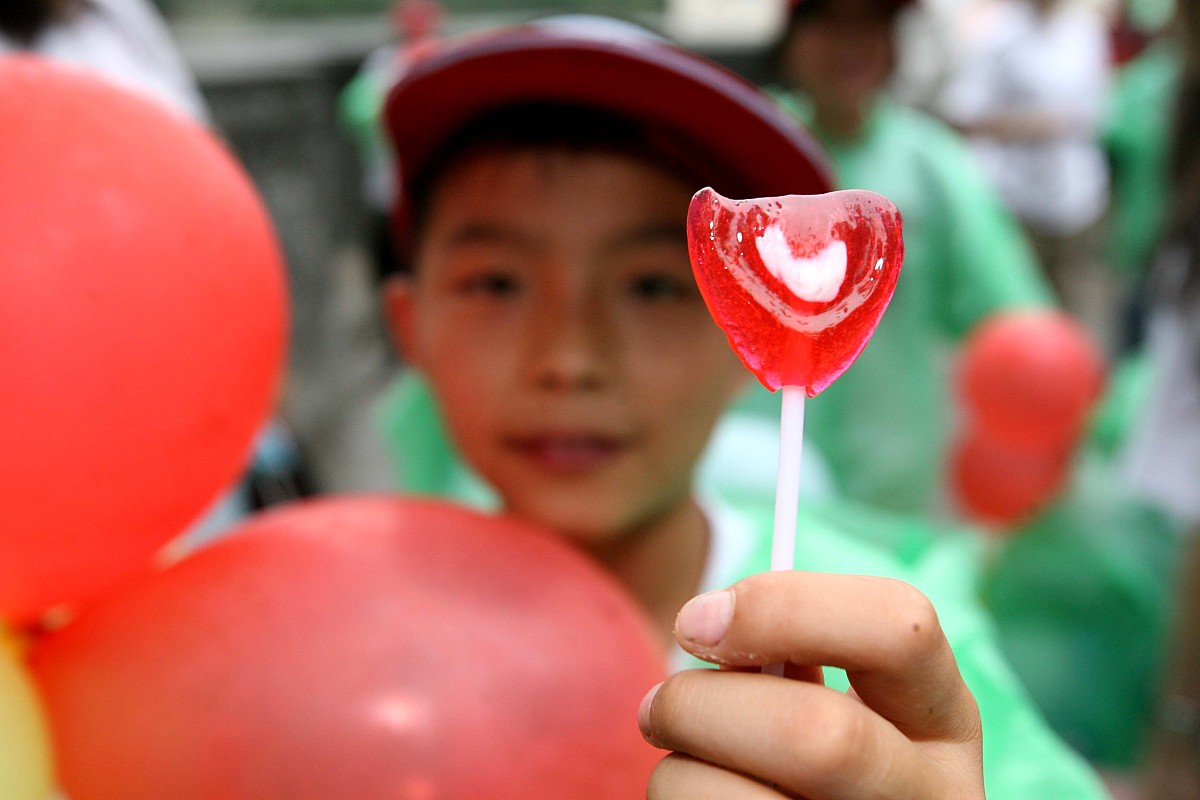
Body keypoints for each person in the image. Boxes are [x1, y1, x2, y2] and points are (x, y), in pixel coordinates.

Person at [377, 16, 1107, 797]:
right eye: (497, 284)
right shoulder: (361, 641)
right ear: (409, 325)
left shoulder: (900, 663)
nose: (569, 361)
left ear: (750, 328)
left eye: (653, 286)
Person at [766, 0, 1054, 518]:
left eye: (871, 25)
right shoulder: (748, 142)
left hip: (886, 498)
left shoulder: (930, 165)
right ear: (792, 38)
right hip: (754, 485)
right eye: (828, 22)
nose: (849, 44)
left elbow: (1014, 317)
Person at [938, 0, 1117, 350]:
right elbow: (962, 113)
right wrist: (1030, 126)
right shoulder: (996, 33)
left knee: (1083, 319)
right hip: (1017, 202)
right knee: (1023, 318)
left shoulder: (1084, 31)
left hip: (1080, 200)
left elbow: (1101, 107)